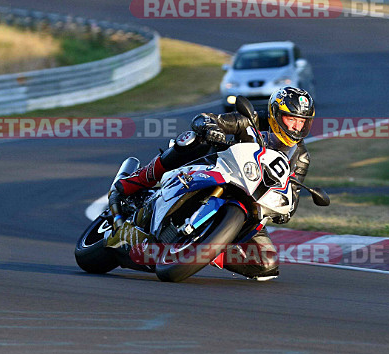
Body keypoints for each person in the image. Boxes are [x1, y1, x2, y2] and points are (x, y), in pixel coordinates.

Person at [108, 86, 315, 281]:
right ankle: (136, 180)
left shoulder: (301, 156)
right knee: (190, 141)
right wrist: (210, 127)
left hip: (253, 199)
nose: (297, 127)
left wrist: (286, 210)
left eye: (302, 122)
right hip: (217, 170)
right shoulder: (251, 120)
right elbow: (207, 119)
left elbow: (292, 193)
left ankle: (206, 249)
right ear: (276, 114)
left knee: (267, 264)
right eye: (292, 119)